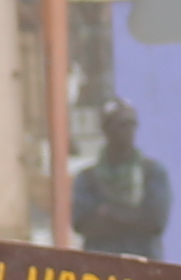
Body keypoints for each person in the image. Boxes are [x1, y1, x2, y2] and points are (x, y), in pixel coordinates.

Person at [72, 91, 174, 252]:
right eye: (121, 124)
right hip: (101, 268)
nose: (128, 130)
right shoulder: (87, 178)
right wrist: (133, 218)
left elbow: (155, 222)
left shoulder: (153, 173)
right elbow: (82, 225)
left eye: (132, 124)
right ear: (106, 129)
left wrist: (108, 213)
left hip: (145, 267)